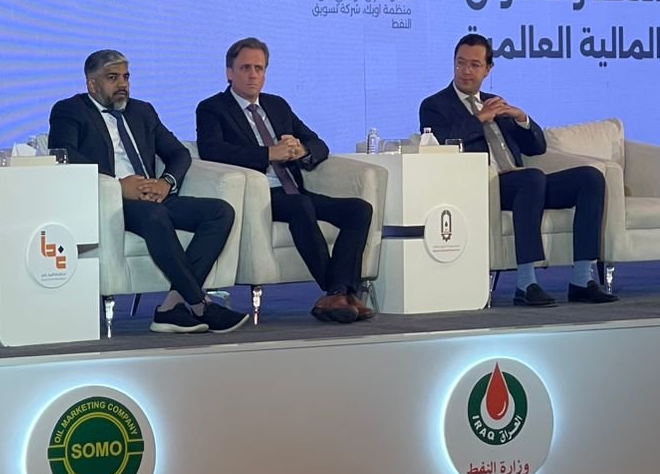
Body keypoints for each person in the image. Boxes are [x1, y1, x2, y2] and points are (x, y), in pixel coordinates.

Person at [48, 50, 242, 334]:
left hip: (154, 195)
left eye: (125, 77)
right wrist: (118, 185)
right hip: (112, 202)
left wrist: (165, 183)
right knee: (155, 216)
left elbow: (179, 153)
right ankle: (201, 304)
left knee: (220, 212)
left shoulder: (143, 111)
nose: (122, 84)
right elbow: (63, 155)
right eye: (112, 78)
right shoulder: (70, 110)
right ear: (92, 84)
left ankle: (171, 306)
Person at [419, 33, 617, 306]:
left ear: (488, 69)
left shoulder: (495, 102)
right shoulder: (434, 105)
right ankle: (526, 283)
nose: (466, 71)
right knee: (531, 178)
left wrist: (521, 118)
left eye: (475, 65)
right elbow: (442, 142)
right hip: (483, 186)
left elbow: (536, 147)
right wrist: (479, 119)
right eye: (461, 63)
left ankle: (582, 279)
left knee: (590, 177)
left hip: (524, 186)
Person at [195, 38, 374, 324]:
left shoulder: (277, 105)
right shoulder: (212, 108)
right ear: (229, 72)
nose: (252, 75)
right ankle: (337, 292)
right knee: (301, 205)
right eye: (245, 68)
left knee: (359, 209)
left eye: (259, 68)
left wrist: (302, 150)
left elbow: (318, 143)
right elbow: (213, 151)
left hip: (294, 190)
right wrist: (269, 154)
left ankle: (338, 293)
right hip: (258, 196)